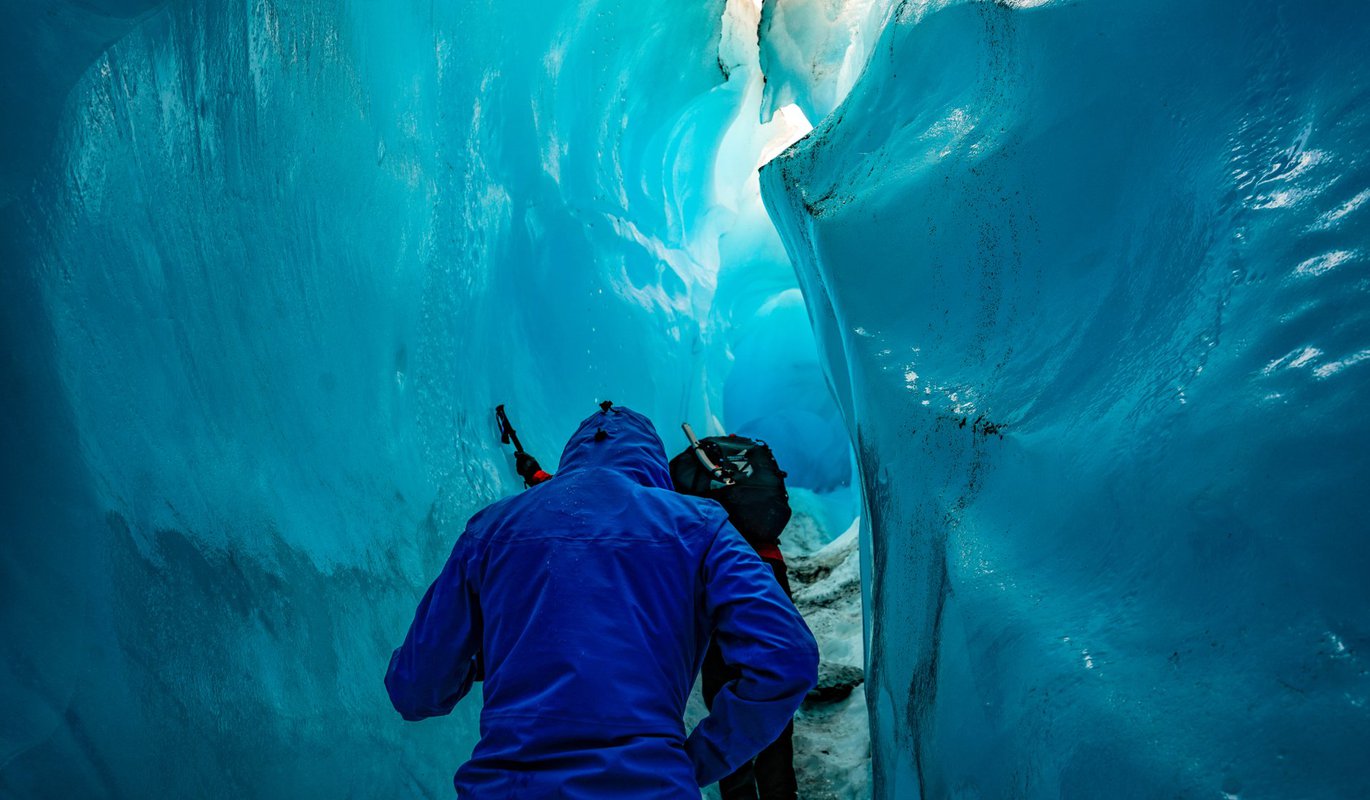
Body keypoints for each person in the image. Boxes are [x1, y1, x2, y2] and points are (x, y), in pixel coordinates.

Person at [385, 403, 819, 798]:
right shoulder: (700, 525)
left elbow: (415, 690)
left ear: (573, 454)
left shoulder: (490, 529)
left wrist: (489, 660)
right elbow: (787, 657)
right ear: (653, 462)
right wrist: (692, 761)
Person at [670, 433, 803, 800]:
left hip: (719, 577)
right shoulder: (751, 484)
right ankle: (781, 792)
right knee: (774, 681)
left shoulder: (692, 481)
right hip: (768, 572)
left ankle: (739, 792)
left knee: (724, 688)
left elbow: (627, 501)